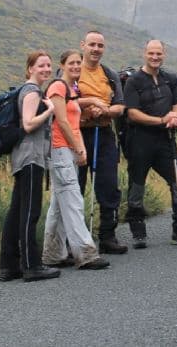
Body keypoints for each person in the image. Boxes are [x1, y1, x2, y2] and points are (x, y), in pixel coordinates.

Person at [123, 39, 177, 247]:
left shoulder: (170, 78)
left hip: (165, 140)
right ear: (145, 53)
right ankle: (138, 232)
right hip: (140, 140)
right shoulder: (134, 81)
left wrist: (176, 117)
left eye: (159, 53)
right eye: (151, 53)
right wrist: (161, 120)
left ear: (164, 54)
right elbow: (132, 113)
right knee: (136, 185)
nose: (155, 57)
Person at [41, 50, 110, 270]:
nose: (76, 66)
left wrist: (79, 150)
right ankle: (86, 254)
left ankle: (52, 255)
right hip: (60, 149)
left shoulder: (71, 89)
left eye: (78, 63)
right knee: (73, 201)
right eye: (71, 63)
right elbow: (61, 121)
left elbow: (74, 115)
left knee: (59, 205)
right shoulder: (58, 87)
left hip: (67, 150)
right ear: (62, 65)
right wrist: (79, 147)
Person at [0, 50, 59, 282]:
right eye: (41, 65)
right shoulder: (32, 91)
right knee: (29, 212)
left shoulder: (27, 91)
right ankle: (31, 266)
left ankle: (9, 266)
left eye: (48, 66)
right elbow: (28, 123)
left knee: (16, 211)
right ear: (30, 68)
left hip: (22, 158)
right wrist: (50, 111)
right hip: (31, 158)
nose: (45, 69)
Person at [76, 30, 128, 254]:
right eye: (92, 45)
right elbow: (64, 99)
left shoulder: (109, 74)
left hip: (104, 133)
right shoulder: (73, 70)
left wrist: (105, 110)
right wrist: (90, 107)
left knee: (108, 185)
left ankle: (107, 235)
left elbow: (120, 105)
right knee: (76, 187)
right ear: (83, 46)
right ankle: (75, 238)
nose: (96, 49)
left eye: (100, 45)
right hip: (78, 135)